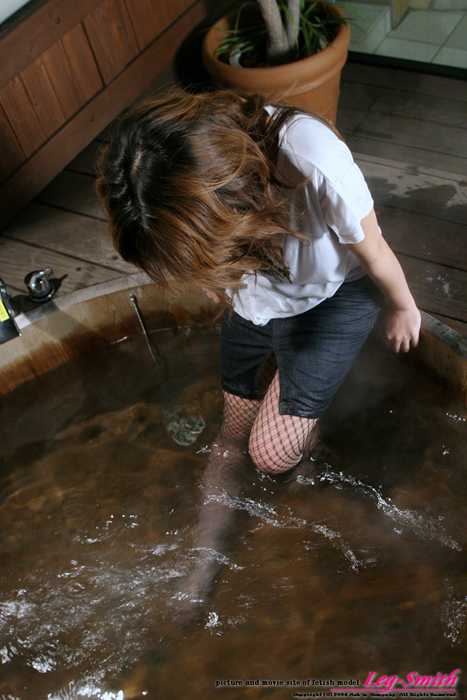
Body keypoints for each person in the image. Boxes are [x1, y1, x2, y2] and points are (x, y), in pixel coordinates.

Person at [96, 84, 421, 476]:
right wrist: (210, 277)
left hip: (334, 293)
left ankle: (313, 427)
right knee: (231, 436)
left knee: (270, 455)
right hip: (259, 298)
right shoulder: (193, 196)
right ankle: (216, 516)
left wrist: (403, 306)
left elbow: (375, 250)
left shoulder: (309, 157)